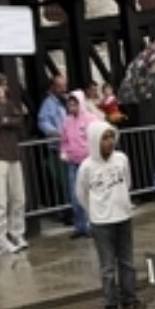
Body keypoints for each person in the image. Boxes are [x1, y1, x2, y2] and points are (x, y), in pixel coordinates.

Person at [76, 121, 146, 309]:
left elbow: (127, 181)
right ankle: (110, 302)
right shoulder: (87, 166)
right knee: (107, 265)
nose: (109, 142)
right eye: (104, 138)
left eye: (111, 137)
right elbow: (81, 193)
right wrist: (93, 211)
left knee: (127, 261)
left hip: (123, 216)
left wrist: (122, 202)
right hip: (101, 221)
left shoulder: (121, 159)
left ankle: (129, 297)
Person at [0, 73, 28, 255]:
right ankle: (1, 240)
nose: (5, 88)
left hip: (13, 154)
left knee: (18, 198)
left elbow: (19, 121)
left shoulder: (10, 103)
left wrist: (6, 119)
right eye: (1, 85)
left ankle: (17, 233)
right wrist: (4, 112)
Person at [60, 90, 97, 238]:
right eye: (69, 105)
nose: (72, 107)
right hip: (73, 162)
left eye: (74, 104)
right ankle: (80, 226)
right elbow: (64, 141)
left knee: (89, 194)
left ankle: (92, 225)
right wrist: (63, 152)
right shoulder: (66, 121)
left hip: (88, 162)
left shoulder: (91, 119)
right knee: (75, 195)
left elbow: (95, 137)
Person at [38, 74, 71, 218]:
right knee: (64, 181)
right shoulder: (48, 103)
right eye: (60, 86)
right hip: (58, 147)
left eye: (64, 86)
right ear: (53, 87)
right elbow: (42, 121)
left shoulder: (69, 99)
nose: (63, 89)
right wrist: (54, 132)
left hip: (73, 146)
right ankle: (67, 211)